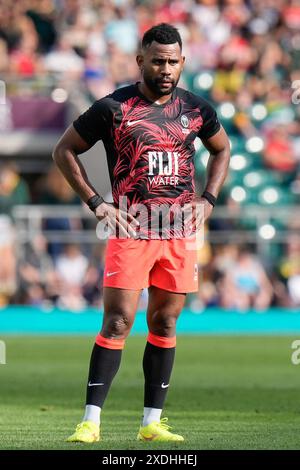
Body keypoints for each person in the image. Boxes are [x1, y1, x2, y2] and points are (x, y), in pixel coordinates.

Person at [52, 23, 230, 443]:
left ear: (183, 62)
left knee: (165, 323)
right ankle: (90, 422)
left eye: (173, 62)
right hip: (132, 227)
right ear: (141, 61)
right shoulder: (114, 107)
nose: (166, 69)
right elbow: (64, 150)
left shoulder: (197, 109)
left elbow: (221, 149)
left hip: (180, 232)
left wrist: (208, 199)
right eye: (158, 61)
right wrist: (97, 203)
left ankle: (152, 423)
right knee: (117, 321)